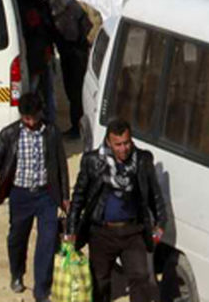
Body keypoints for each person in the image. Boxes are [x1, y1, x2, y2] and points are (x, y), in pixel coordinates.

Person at [66, 119, 167, 302]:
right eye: (118, 144)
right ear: (108, 142)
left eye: (126, 143)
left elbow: (153, 194)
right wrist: (71, 229)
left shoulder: (142, 160)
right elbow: (79, 197)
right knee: (100, 281)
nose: (123, 149)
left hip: (133, 232)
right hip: (102, 233)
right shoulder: (93, 161)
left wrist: (161, 223)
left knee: (140, 279)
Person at [0, 92, 70, 302]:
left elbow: (61, 165)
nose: (30, 122)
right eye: (26, 118)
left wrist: (65, 196)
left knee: (48, 241)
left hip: (46, 195)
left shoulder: (51, 132)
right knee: (17, 238)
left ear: (40, 113)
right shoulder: (9, 134)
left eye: (33, 117)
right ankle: (17, 273)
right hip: (20, 195)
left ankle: (41, 290)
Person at [47, 0, 93, 140]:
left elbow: (76, 18)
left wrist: (69, 39)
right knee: (74, 91)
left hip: (75, 52)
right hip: (75, 50)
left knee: (75, 91)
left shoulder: (59, 0)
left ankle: (77, 127)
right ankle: (77, 125)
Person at [20, 0, 58, 125]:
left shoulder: (27, 7)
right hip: (40, 54)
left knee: (38, 89)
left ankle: (41, 118)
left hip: (37, 54)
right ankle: (47, 119)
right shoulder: (37, 7)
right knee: (44, 89)